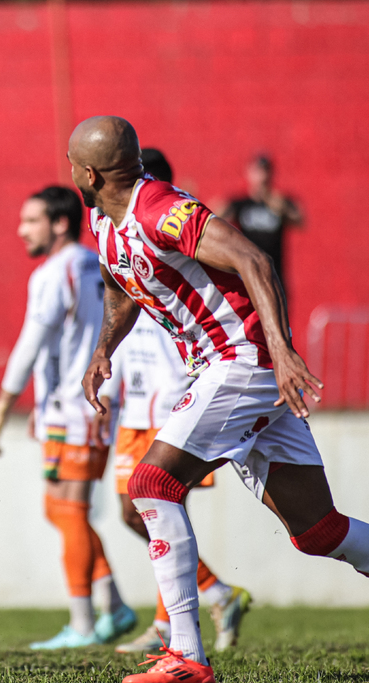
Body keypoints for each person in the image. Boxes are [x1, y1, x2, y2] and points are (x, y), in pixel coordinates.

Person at [71, 116, 369, 683]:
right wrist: (103, 348)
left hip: (244, 361)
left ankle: (186, 656)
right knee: (319, 532)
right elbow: (123, 284)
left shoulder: (162, 208)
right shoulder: (102, 218)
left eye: (70, 163)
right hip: (224, 368)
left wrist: (280, 352)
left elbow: (255, 260)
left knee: (151, 486)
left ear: (87, 173)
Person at [97, 149, 250, 654]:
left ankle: (174, 630)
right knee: (131, 509)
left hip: (178, 392)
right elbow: (122, 301)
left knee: (156, 497)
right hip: (134, 402)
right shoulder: (112, 232)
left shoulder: (169, 225)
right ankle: (214, 592)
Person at [0, 187, 135, 649]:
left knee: (68, 509)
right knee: (63, 509)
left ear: (59, 223)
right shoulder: (98, 264)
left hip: (75, 408)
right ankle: (114, 605)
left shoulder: (54, 273)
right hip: (86, 405)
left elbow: (32, 345)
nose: (21, 229)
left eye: (31, 220)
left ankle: (84, 622)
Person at [219, 155, 302, 294]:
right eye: (258, 171)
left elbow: (300, 220)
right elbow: (216, 215)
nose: (262, 176)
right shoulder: (242, 204)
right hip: (248, 275)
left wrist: (278, 205)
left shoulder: (279, 203)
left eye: (265, 171)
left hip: (274, 276)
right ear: (249, 173)